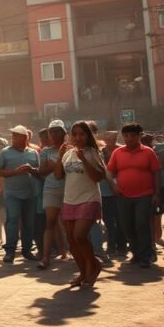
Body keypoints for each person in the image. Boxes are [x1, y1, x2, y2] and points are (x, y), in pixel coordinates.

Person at [54, 121, 106, 286]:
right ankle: (83, 272)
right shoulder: (68, 153)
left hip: (89, 199)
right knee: (71, 240)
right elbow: (57, 175)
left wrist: (84, 159)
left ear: (88, 136)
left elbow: (99, 177)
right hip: (69, 200)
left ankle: (95, 265)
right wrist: (60, 156)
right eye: (74, 134)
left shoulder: (92, 152)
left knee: (80, 236)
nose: (77, 137)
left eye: (81, 134)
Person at [106, 122, 160, 268]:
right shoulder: (118, 153)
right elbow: (109, 171)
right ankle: (136, 253)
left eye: (132, 135)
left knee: (142, 223)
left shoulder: (148, 152)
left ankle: (145, 256)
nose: (129, 138)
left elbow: (156, 173)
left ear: (139, 136)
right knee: (127, 225)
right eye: (126, 135)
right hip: (123, 195)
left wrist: (156, 194)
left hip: (145, 195)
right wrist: (114, 186)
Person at [0, 125, 41, 263]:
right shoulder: (5, 152)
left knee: (28, 223)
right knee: (13, 219)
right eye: (13, 135)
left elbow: (39, 172)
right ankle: (10, 251)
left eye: (16, 136)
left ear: (25, 138)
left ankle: (27, 250)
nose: (13, 138)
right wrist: (16, 172)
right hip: (12, 194)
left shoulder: (33, 153)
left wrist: (31, 170)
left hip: (31, 193)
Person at [37, 120, 68, 269]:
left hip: (70, 190)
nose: (54, 134)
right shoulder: (45, 151)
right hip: (51, 189)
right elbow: (41, 172)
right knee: (50, 222)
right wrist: (55, 166)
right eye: (52, 132)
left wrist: (53, 165)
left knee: (69, 224)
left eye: (57, 131)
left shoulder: (71, 149)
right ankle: (46, 257)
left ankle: (69, 251)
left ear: (64, 133)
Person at [99, 131, 126, 258]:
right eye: (107, 138)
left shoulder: (122, 150)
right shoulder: (100, 152)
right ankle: (111, 245)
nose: (109, 140)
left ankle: (121, 245)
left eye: (112, 138)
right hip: (104, 191)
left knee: (120, 219)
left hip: (120, 190)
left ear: (116, 138)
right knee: (108, 220)